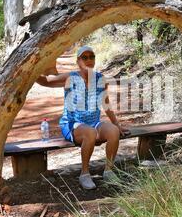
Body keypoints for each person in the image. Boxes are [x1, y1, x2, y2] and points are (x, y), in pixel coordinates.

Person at [36, 46, 130, 190]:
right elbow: (47, 81)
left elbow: (105, 103)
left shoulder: (100, 79)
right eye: (84, 57)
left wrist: (116, 123)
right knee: (90, 133)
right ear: (78, 61)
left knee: (113, 131)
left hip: (94, 122)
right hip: (73, 124)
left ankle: (109, 171)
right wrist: (30, 72)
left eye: (91, 57)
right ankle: (84, 174)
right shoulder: (70, 77)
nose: (88, 60)